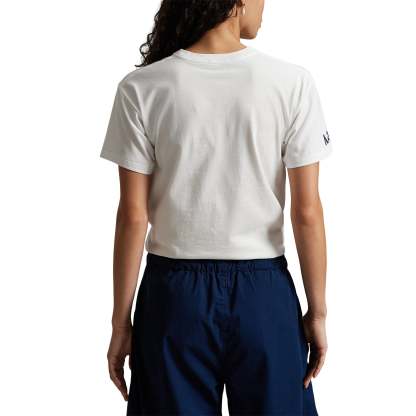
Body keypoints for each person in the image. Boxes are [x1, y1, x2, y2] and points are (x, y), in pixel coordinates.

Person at [100, 0, 332, 414]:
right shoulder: (291, 83)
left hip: (173, 297)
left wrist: (121, 322)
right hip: (264, 296)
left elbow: (133, 216)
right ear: (237, 2)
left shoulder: (141, 87)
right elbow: (306, 212)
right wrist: (317, 313)